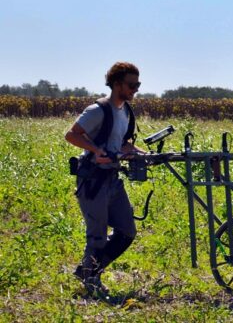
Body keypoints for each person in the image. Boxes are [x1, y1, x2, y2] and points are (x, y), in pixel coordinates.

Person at [65, 62, 145, 299]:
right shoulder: (98, 110)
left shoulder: (126, 112)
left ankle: (87, 271)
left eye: (137, 85)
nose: (135, 89)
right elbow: (71, 134)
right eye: (132, 85)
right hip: (93, 181)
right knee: (97, 236)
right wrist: (96, 150)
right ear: (117, 83)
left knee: (127, 231)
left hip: (113, 178)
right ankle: (92, 281)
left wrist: (143, 155)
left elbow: (122, 143)